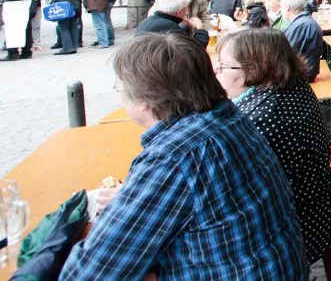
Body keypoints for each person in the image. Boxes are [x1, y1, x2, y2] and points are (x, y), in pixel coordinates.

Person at [60, 32, 307, 279]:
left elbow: (93, 272)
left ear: (145, 100)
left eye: (119, 89)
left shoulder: (172, 158)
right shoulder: (229, 116)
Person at [215, 29, 331, 263]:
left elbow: (227, 193)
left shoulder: (260, 118)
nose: (217, 73)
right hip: (324, 211)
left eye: (224, 66)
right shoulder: (293, 86)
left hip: (296, 232)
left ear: (256, 69)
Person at [136, 0, 211, 48]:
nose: (186, 13)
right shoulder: (170, 26)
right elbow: (195, 49)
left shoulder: (148, 20)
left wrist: (179, 21)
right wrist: (200, 28)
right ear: (179, 12)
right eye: (185, 10)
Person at [280, 0, 324, 82]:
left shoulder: (301, 25)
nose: (281, 12)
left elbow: (287, 52)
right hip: (304, 69)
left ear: (287, 8)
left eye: (281, 8)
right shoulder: (303, 21)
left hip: (301, 73)